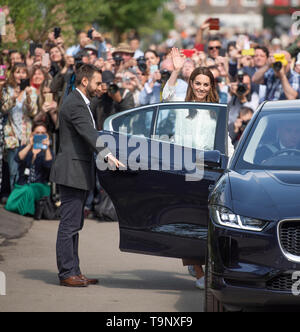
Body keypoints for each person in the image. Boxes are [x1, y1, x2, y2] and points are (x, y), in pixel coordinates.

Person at [50, 64, 124, 287]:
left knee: (75, 224)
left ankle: (75, 270)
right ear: (85, 82)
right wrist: (107, 154)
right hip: (72, 171)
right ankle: (66, 273)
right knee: (69, 225)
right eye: (96, 82)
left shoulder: (81, 101)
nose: (99, 86)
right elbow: (89, 133)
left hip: (77, 171)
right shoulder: (75, 104)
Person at [1, 63, 38, 191]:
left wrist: (27, 96)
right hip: (12, 136)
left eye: (23, 72)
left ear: (27, 76)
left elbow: (33, 112)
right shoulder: (7, 89)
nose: (20, 75)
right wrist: (14, 97)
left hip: (26, 136)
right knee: (13, 171)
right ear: (13, 74)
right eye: (17, 72)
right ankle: (13, 198)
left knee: (25, 170)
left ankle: (22, 198)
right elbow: (4, 109)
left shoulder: (31, 90)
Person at [5, 122, 53, 216]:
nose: (39, 135)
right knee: (10, 204)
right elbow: (18, 158)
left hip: (40, 185)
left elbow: (49, 165)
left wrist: (46, 148)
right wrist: (30, 145)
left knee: (29, 190)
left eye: (42, 133)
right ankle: (24, 207)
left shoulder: (48, 152)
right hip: (22, 184)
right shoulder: (25, 148)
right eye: (37, 133)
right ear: (32, 134)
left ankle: (28, 212)